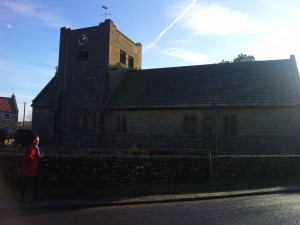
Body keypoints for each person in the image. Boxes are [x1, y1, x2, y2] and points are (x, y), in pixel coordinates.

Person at [20, 135, 45, 202]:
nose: (37, 142)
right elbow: (29, 158)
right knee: (26, 182)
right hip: (29, 168)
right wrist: (39, 157)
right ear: (32, 140)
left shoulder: (36, 147)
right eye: (36, 140)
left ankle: (35, 196)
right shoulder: (31, 147)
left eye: (38, 140)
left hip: (33, 167)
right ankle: (23, 198)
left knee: (37, 181)